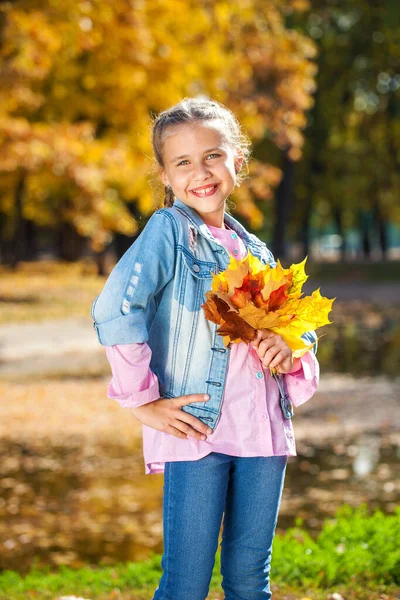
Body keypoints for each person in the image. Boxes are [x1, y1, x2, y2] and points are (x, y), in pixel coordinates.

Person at [91, 97, 319, 600]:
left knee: (248, 580)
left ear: (237, 159)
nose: (202, 172)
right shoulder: (169, 231)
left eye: (213, 155)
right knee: (186, 585)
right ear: (165, 175)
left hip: (264, 433)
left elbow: (297, 324)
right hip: (199, 431)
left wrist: (292, 344)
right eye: (184, 162)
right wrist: (141, 399)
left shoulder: (256, 249)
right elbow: (115, 308)